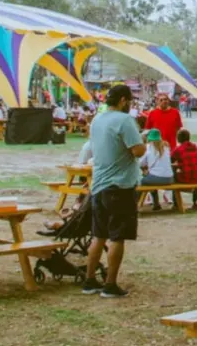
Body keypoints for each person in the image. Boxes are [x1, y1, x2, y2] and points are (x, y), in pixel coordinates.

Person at [83, 84, 146, 298]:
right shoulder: (125, 120)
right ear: (123, 100)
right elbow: (137, 151)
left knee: (98, 236)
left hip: (99, 184)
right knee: (117, 236)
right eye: (130, 101)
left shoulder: (97, 119)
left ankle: (89, 280)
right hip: (120, 186)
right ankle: (110, 284)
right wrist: (143, 142)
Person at [139, 128, 176, 210]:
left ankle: (139, 204)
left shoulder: (148, 147)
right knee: (151, 177)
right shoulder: (166, 147)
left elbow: (140, 163)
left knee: (139, 181)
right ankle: (156, 204)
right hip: (169, 178)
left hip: (156, 178)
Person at [172, 128, 197, 211]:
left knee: (173, 177)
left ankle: (176, 203)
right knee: (194, 173)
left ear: (178, 139)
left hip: (187, 176)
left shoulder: (178, 149)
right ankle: (196, 202)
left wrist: (178, 165)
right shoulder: (195, 147)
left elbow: (170, 160)